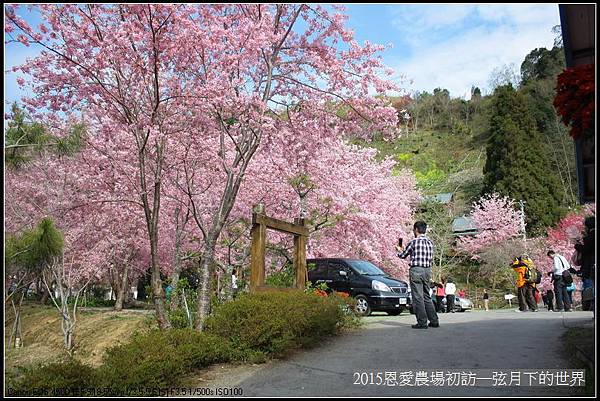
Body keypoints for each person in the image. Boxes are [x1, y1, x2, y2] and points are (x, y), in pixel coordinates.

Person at [397, 221, 439, 329]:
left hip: (416, 270)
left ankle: (422, 322)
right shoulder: (430, 243)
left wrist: (398, 250)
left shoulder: (414, 242)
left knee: (418, 297)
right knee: (426, 296)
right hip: (427, 271)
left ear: (416, 230)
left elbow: (403, 255)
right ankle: (434, 320)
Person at [571, 216, 595, 312]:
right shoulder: (590, 235)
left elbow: (586, 249)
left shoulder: (592, 236)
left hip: (591, 265)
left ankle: (591, 306)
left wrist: (577, 245)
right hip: (590, 264)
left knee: (590, 286)